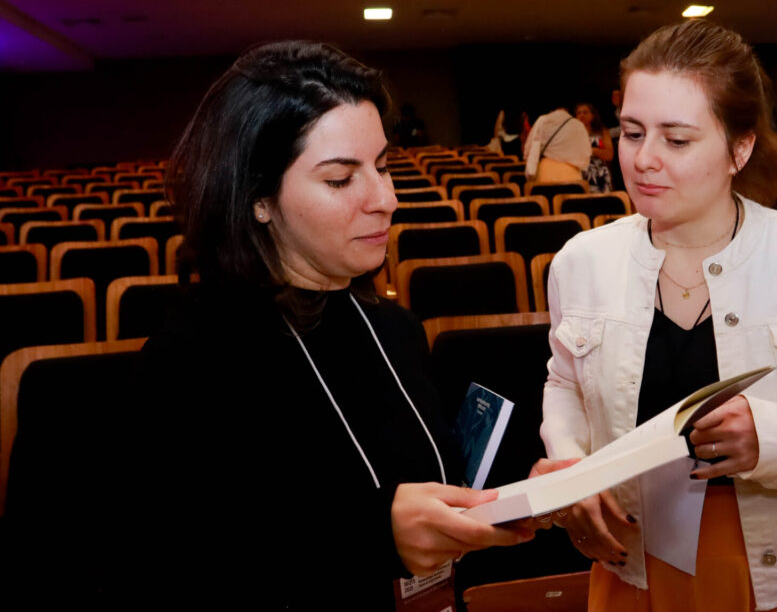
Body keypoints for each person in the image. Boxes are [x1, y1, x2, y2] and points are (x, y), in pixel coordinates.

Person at [125, 41, 532, 609]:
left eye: (383, 167)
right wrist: (374, 534)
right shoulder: (192, 358)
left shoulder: (396, 329)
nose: (386, 199)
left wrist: (522, 492)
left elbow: (427, 477)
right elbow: (182, 561)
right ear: (259, 198)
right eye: (341, 179)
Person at [537, 20, 777, 611]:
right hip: (632, 569)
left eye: (677, 140)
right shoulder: (581, 262)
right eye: (632, 133)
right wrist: (570, 469)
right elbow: (564, 384)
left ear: (740, 148)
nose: (643, 160)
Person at [524, 107, 592, 183]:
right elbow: (586, 154)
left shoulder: (543, 120)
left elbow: (528, 148)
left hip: (546, 172)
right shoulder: (578, 125)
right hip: (572, 174)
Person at [575, 102, 614, 192]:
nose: (581, 115)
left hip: (599, 173)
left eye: (585, 112)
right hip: (579, 173)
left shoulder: (602, 132)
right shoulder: (573, 134)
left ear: (593, 115)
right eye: (578, 113)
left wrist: (592, 150)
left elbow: (609, 155)